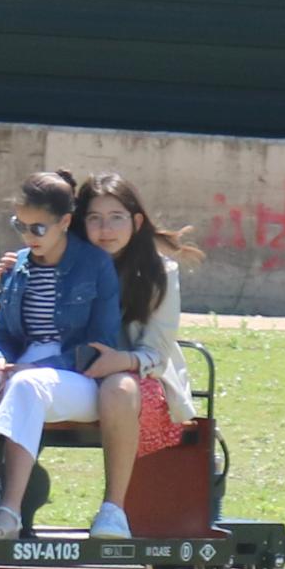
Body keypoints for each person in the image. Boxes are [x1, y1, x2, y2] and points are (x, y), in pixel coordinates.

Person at [0, 170, 131, 541]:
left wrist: (36, 367)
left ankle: (9, 512)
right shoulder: (21, 266)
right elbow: (6, 334)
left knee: (27, 384)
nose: (29, 237)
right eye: (20, 226)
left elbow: (100, 342)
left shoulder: (94, 265)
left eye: (38, 228)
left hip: (80, 377)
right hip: (22, 371)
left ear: (64, 222)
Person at [72, 172, 195, 517]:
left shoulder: (160, 273)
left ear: (136, 221)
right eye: (94, 219)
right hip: (75, 367)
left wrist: (121, 361)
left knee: (119, 389)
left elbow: (157, 351)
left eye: (116, 218)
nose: (105, 229)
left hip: (140, 376)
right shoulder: (66, 264)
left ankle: (113, 509)